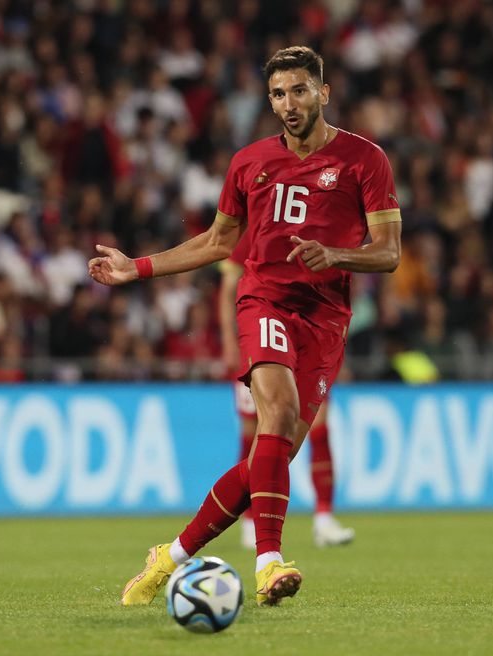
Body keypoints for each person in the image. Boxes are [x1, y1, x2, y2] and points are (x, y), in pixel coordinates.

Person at [88, 46, 401, 607]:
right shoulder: (249, 162)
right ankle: (269, 562)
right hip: (264, 300)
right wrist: (138, 267)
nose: (289, 103)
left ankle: (169, 557)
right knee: (276, 412)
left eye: (299, 90)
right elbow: (218, 242)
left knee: (270, 456)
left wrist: (336, 255)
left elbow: (389, 251)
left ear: (324, 93)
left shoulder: (365, 159)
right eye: (278, 94)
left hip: (326, 319)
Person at [219, 230, 355, 550]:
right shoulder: (253, 232)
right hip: (261, 339)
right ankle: (249, 520)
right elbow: (227, 290)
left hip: (307, 343)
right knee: (254, 433)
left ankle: (324, 517)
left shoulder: (316, 229)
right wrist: (229, 340)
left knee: (319, 426)